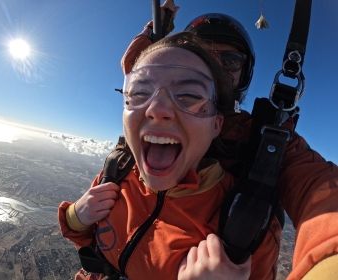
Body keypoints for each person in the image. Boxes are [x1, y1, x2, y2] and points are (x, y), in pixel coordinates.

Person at [119, 2, 338, 280]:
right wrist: (157, 28)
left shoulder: (264, 138)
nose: (216, 66)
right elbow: (141, 72)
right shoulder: (151, 110)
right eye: (203, 53)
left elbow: (319, 188)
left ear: (244, 74)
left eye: (230, 61)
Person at [59, 32, 252, 280]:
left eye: (190, 96)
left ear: (216, 124)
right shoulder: (118, 171)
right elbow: (92, 243)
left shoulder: (241, 220)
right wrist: (76, 217)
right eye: (139, 93)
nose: (157, 110)